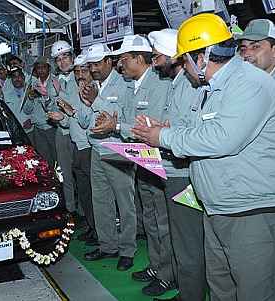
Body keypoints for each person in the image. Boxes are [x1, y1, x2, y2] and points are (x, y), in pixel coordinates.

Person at [132, 13, 275, 301]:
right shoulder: (208, 88)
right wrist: (168, 129)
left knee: (257, 292)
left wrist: (164, 138)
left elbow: (224, 139)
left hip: (252, 212)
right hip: (219, 208)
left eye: (185, 59)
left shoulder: (249, 83)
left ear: (204, 55)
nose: (183, 66)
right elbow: (201, 131)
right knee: (222, 288)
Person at [145, 28, 208, 301]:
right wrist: (163, 129)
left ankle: (191, 294)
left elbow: (192, 131)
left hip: (183, 174)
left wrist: (165, 133)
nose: (155, 61)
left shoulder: (188, 83)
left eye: (158, 56)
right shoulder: (178, 82)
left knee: (187, 241)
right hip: (175, 171)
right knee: (184, 238)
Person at [237, 19, 275, 301]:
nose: (247, 53)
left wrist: (257, 159)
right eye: (243, 47)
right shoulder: (241, 87)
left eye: (256, 47)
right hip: (252, 185)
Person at [110, 34, 175, 296]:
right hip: (142, 161)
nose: (120, 65)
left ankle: (169, 273)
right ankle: (157, 265)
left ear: (139, 59)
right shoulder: (131, 85)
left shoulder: (160, 84)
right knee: (149, 218)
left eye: (124, 60)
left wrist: (118, 127)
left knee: (163, 221)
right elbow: (129, 123)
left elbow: (149, 126)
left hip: (160, 162)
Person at [77, 43, 136, 271]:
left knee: (124, 202)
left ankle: (127, 250)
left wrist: (95, 101)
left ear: (109, 62)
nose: (93, 69)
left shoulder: (124, 84)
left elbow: (123, 117)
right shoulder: (92, 85)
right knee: (101, 201)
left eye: (97, 64)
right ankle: (108, 245)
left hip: (118, 150)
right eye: (90, 65)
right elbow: (85, 120)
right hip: (96, 149)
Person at [48, 52, 98, 246]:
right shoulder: (73, 87)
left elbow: (85, 121)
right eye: (77, 71)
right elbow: (71, 121)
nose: (79, 74)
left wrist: (70, 113)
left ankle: (100, 233)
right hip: (78, 144)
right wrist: (63, 119)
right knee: (85, 191)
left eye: (83, 70)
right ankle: (92, 228)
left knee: (94, 193)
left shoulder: (90, 90)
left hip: (87, 145)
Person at [45, 41, 77, 220]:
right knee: (65, 172)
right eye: (58, 59)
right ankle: (71, 209)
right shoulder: (55, 81)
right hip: (61, 131)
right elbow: (51, 106)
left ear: (72, 56)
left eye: (65, 57)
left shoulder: (81, 76)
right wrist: (48, 97)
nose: (63, 62)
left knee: (81, 175)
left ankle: (84, 212)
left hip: (77, 132)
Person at [27, 56, 58, 167]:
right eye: (38, 68)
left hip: (52, 127)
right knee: (44, 160)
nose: (41, 70)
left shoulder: (56, 81)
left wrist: (44, 96)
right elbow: (27, 110)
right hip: (38, 128)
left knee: (58, 159)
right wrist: (30, 97)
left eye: (43, 67)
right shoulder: (32, 84)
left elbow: (58, 103)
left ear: (49, 68)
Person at [2, 66, 35, 142]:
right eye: (14, 77)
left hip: (30, 131)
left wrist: (32, 120)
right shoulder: (5, 94)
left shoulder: (32, 90)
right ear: (11, 79)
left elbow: (39, 110)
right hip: (15, 133)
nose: (17, 79)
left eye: (19, 76)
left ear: (23, 77)